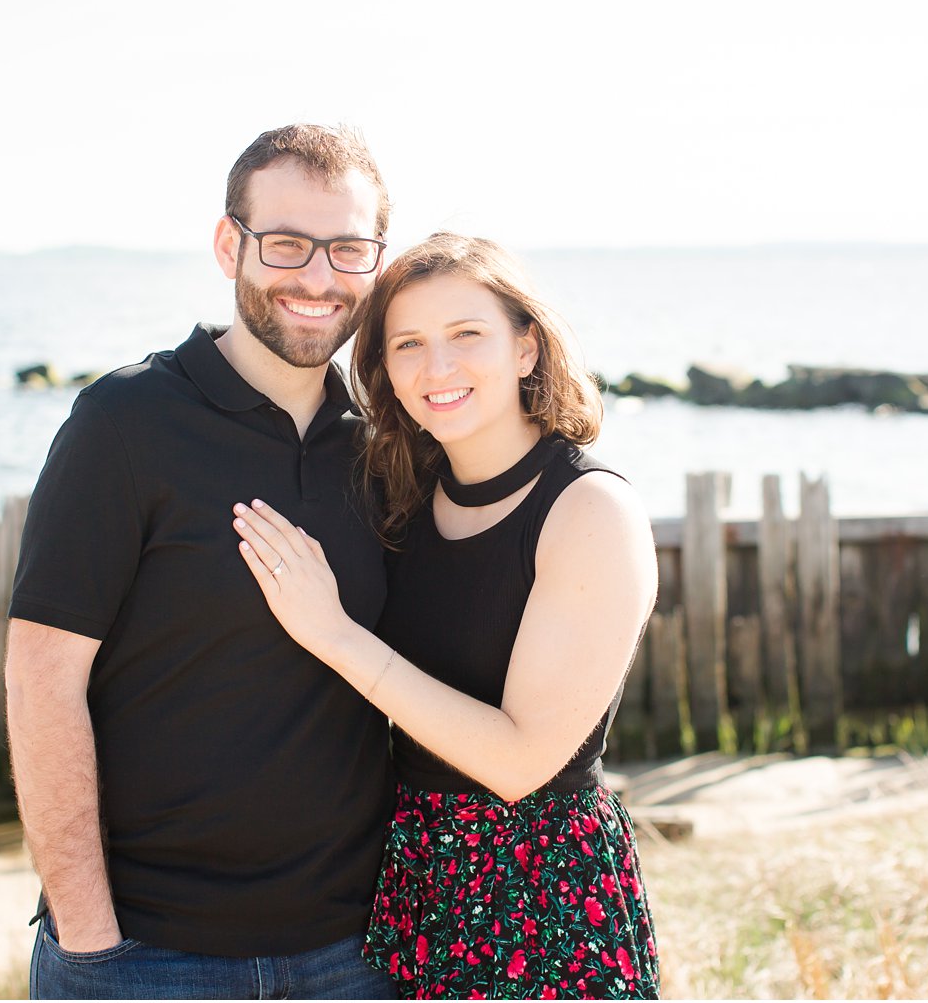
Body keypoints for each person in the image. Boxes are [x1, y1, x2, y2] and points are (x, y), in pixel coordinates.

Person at [5, 124, 401, 999]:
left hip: (353, 953)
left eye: (348, 248)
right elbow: (41, 679)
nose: (319, 276)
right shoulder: (126, 421)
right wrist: (89, 938)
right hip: (148, 953)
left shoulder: (385, 446)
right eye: (288, 244)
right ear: (231, 245)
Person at [232, 233, 661, 1000]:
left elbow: (519, 761)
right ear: (385, 370)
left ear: (527, 347)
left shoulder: (589, 510)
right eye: (408, 344)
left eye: (467, 335)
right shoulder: (408, 491)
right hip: (415, 881)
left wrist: (332, 634)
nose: (437, 368)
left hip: (542, 897)